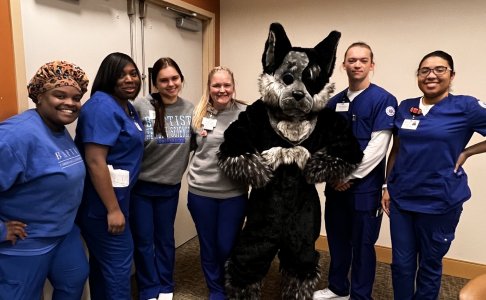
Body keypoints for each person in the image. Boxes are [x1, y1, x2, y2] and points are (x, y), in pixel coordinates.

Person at [381, 50, 486, 300]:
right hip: (403, 200)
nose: (431, 75)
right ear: (418, 76)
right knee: (401, 266)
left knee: (429, 265)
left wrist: (468, 152)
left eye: (440, 69)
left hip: (440, 202)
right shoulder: (406, 107)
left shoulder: (466, 106)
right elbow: (396, 150)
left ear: (451, 75)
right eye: (425, 70)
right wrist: (386, 185)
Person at [313, 42, 398, 300]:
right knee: (337, 241)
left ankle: (360, 295)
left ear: (372, 65)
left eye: (363, 60)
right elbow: (323, 144)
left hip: (364, 189)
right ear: (344, 65)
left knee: (362, 245)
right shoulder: (333, 103)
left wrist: (346, 175)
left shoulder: (383, 100)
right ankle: (338, 288)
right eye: (352, 60)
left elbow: (378, 147)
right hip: (335, 188)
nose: (357, 65)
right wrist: (332, 175)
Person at [0, 61, 89, 299]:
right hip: (27, 242)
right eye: (60, 95)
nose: (70, 103)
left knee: (74, 281)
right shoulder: (14, 136)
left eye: (76, 97)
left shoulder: (59, 128)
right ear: (39, 96)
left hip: (63, 234)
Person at [75, 52, 144, 300]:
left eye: (133, 73)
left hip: (118, 200)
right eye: (121, 74)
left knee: (104, 267)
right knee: (118, 268)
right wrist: (113, 210)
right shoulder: (101, 107)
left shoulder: (127, 107)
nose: (129, 79)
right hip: (102, 207)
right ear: (108, 77)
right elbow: (95, 162)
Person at [130, 57, 194, 300]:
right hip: (141, 188)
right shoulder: (140, 105)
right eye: (164, 80)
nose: (170, 84)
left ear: (181, 79)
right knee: (144, 241)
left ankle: (166, 284)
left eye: (174, 78)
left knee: (165, 239)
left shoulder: (190, 109)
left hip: (169, 187)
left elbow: (201, 141)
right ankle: (149, 287)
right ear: (155, 83)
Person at [187, 66, 248, 300]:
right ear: (209, 88)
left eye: (226, 85)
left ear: (233, 87)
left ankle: (230, 282)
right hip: (200, 192)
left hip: (233, 193)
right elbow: (186, 150)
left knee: (227, 244)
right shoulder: (198, 114)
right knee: (208, 244)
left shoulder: (246, 113)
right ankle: (216, 290)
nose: (221, 90)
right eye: (216, 85)